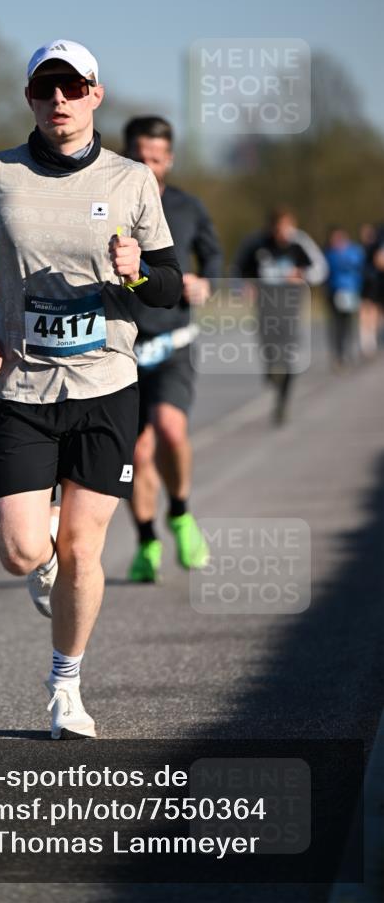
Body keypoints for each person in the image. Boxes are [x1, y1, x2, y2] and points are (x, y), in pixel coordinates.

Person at [0, 40, 182, 739]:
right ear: (30, 100)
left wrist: (135, 271)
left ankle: (64, 688)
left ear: (96, 95)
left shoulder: (133, 180)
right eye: (46, 90)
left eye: (73, 88)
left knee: (82, 548)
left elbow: (165, 287)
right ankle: (38, 561)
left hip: (106, 384)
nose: (59, 102)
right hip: (18, 386)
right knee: (21, 551)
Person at [122, 117, 222, 583]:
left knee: (170, 429)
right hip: (120, 346)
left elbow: (214, 256)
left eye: (157, 158)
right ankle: (146, 540)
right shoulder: (106, 201)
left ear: (170, 159)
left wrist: (206, 282)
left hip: (173, 341)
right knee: (136, 455)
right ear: (127, 153)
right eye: (141, 157)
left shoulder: (187, 206)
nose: (149, 165)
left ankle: (180, 513)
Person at [233, 207, 328, 425]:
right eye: (278, 230)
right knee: (269, 349)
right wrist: (245, 287)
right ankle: (272, 374)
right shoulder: (256, 243)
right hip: (266, 307)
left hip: (291, 307)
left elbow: (321, 269)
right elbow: (237, 271)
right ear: (271, 228)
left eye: (287, 229)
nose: (283, 234)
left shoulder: (300, 243)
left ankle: (283, 402)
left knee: (287, 356)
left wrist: (302, 274)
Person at [323, 226, 365, 368]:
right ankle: (337, 354)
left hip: (350, 291)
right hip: (334, 292)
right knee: (336, 324)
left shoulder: (354, 251)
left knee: (348, 323)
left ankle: (348, 351)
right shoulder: (328, 253)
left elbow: (359, 267)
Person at [358, 222, 384, 357]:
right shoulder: (365, 248)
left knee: (377, 311)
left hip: (377, 281)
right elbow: (377, 260)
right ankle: (368, 340)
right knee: (369, 308)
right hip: (371, 281)